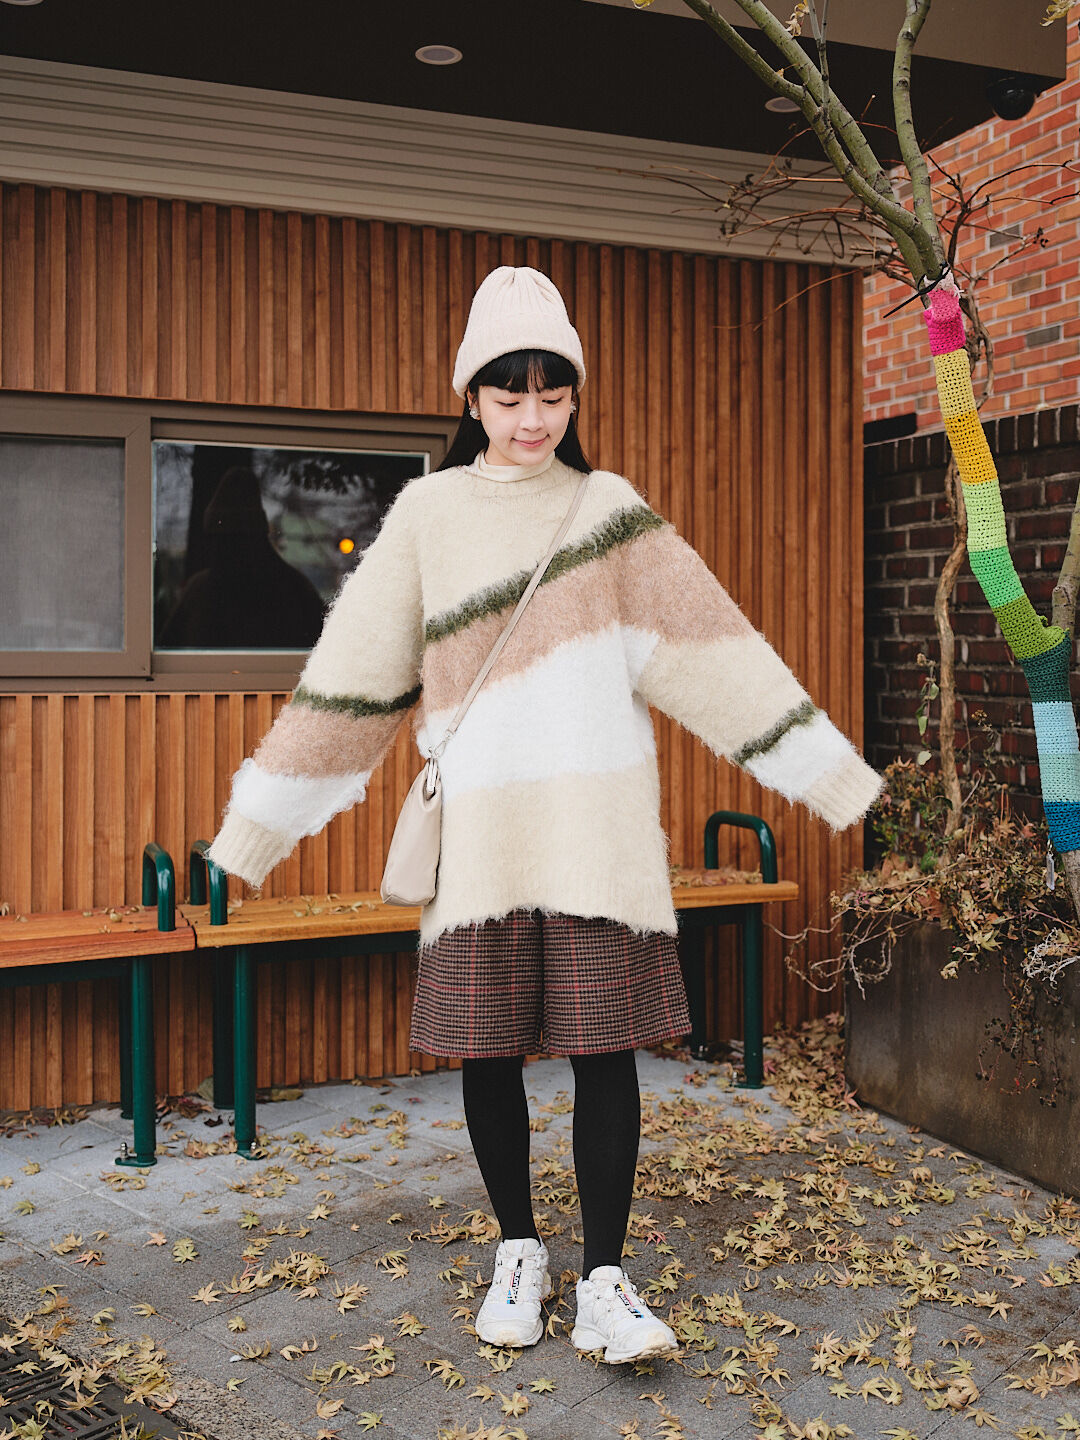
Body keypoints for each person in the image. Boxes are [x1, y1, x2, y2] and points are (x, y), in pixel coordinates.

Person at [208, 265, 882, 1365]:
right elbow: (352, 680)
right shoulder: (430, 516)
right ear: (470, 396)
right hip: (481, 843)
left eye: (553, 393)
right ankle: (518, 1250)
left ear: (574, 395)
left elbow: (717, 655)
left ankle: (606, 1278)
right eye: (509, 393)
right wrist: (258, 830)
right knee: (488, 1054)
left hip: (596, 839)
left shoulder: (607, 514)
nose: (533, 417)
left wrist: (832, 778)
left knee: (605, 1052)